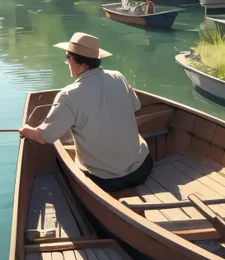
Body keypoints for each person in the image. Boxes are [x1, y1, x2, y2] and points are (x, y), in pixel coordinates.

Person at [19, 32, 153, 193]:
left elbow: (43, 137)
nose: (66, 61)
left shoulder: (68, 95)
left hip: (106, 181)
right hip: (143, 168)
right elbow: (135, 107)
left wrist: (26, 131)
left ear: (81, 64)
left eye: (68, 57)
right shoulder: (118, 77)